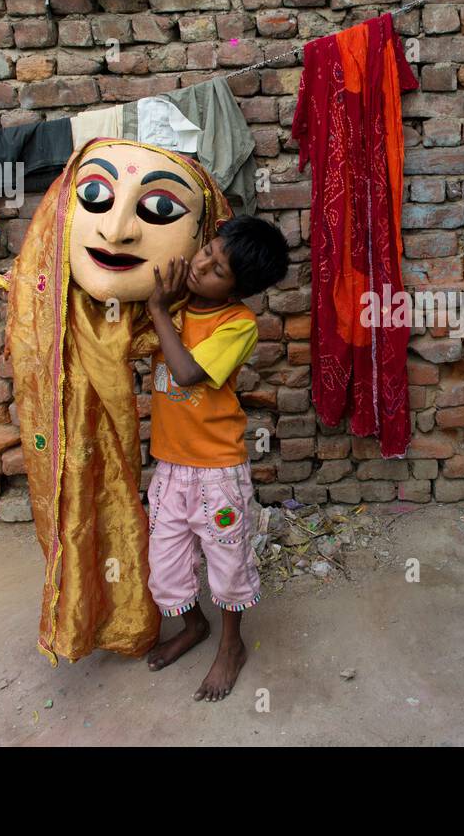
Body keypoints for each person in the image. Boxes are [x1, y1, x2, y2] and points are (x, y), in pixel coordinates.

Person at [144, 215, 289, 701]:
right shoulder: (177, 300)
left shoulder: (238, 324)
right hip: (170, 465)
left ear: (236, 289)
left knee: (227, 563)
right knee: (165, 565)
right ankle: (193, 626)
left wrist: (159, 312)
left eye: (217, 268)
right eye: (207, 250)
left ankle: (232, 646)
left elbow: (186, 373)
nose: (201, 264)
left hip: (218, 472)